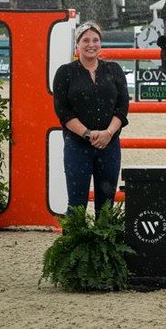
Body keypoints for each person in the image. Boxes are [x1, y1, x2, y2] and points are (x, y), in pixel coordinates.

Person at [52, 21, 129, 218]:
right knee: (76, 205)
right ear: (77, 45)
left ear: (101, 44)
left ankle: (104, 246)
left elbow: (122, 107)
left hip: (109, 146)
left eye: (95, 40)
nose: (91, 44)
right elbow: (63, 111)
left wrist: (108, 133)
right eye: (85, 40)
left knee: (106, 205)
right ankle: (72, 246)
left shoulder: (114, 70)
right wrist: (88, 134)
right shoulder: (65, 73)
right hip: (77, 146)